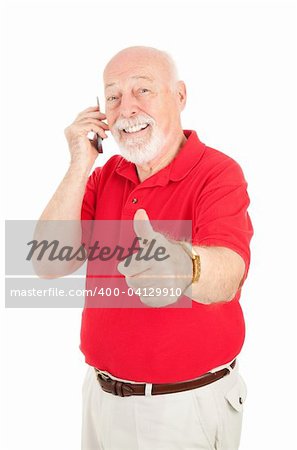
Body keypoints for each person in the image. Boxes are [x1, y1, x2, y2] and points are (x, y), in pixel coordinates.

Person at [38, 46, 253, 449]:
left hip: (183, 408)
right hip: (100, 400)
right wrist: (79, 164)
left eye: (143, 91)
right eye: (114, 96)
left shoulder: (218, 173)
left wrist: (184, 266)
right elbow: (47, 262)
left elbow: (228, 272)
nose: (126, 109)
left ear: (180, 96)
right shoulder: (105, 177)